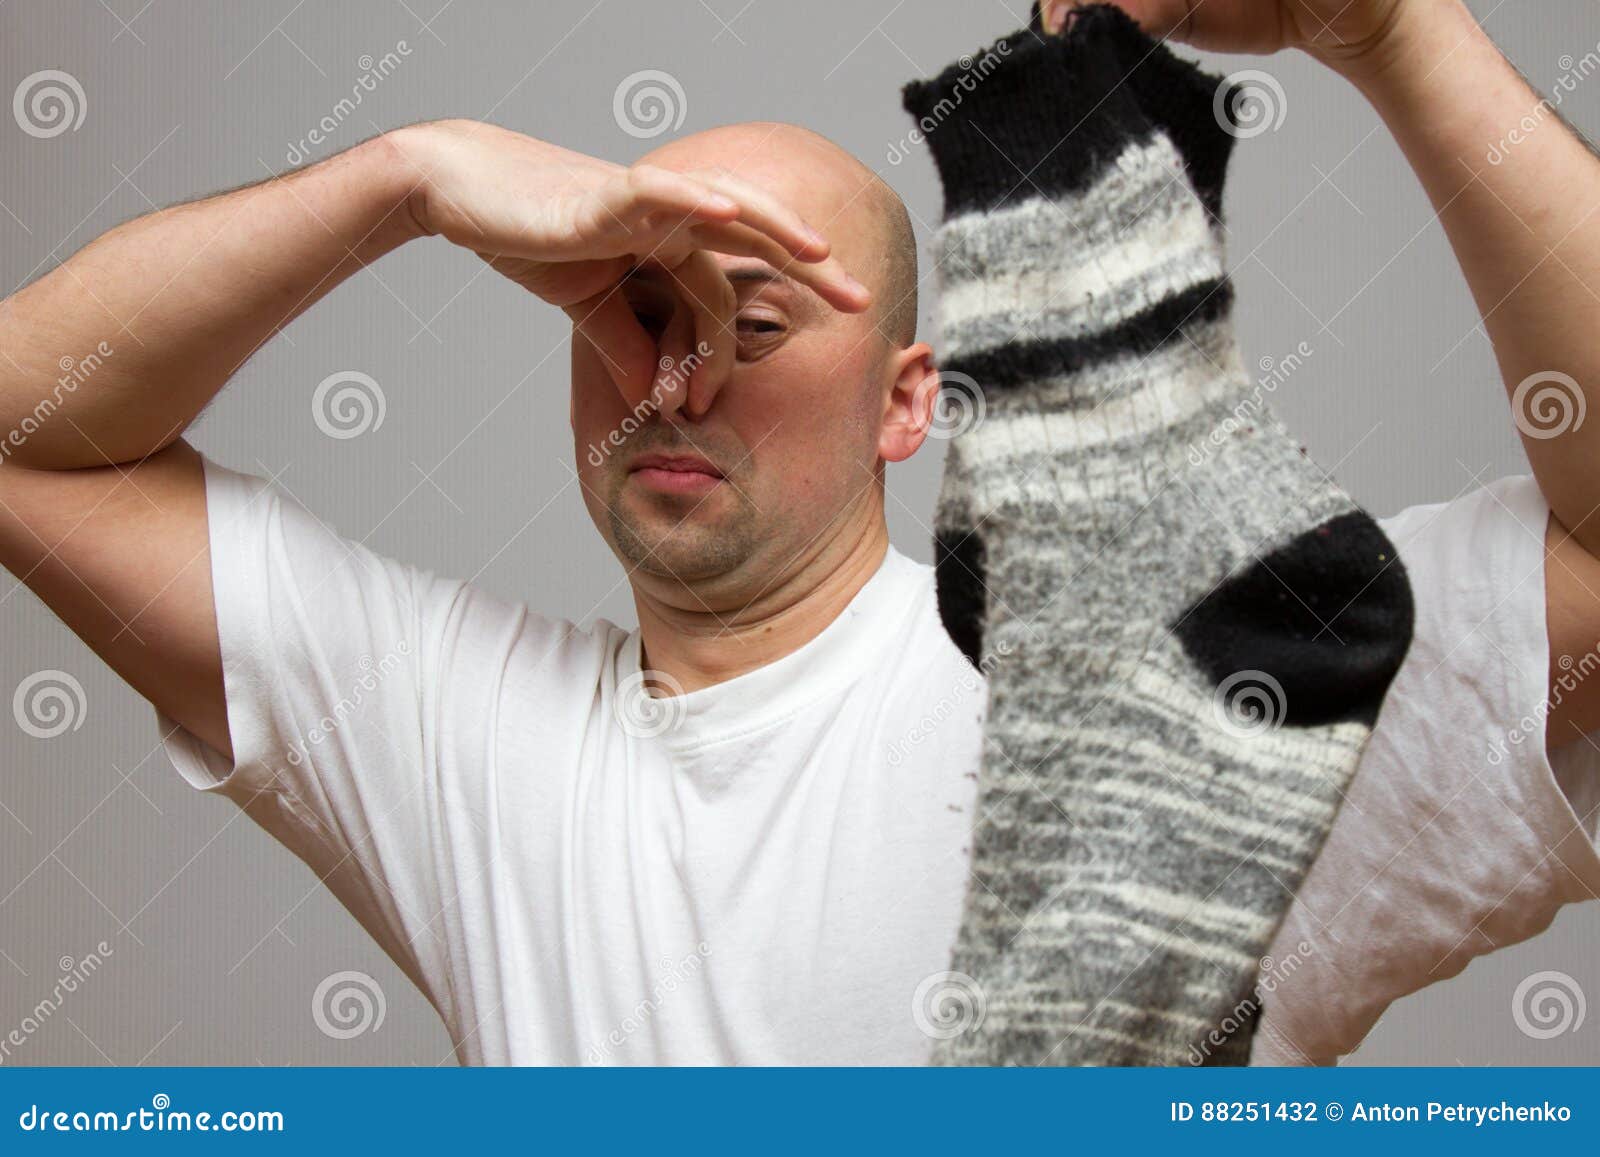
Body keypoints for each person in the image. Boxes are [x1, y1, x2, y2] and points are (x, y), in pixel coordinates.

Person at [0, 0, 1596, 1065]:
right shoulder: (463, 738)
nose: (678, 376)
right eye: (632, 303)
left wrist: (1392, 30)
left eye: (756, 320)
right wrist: (405, 183)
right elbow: (30, 442)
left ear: (910, 405)